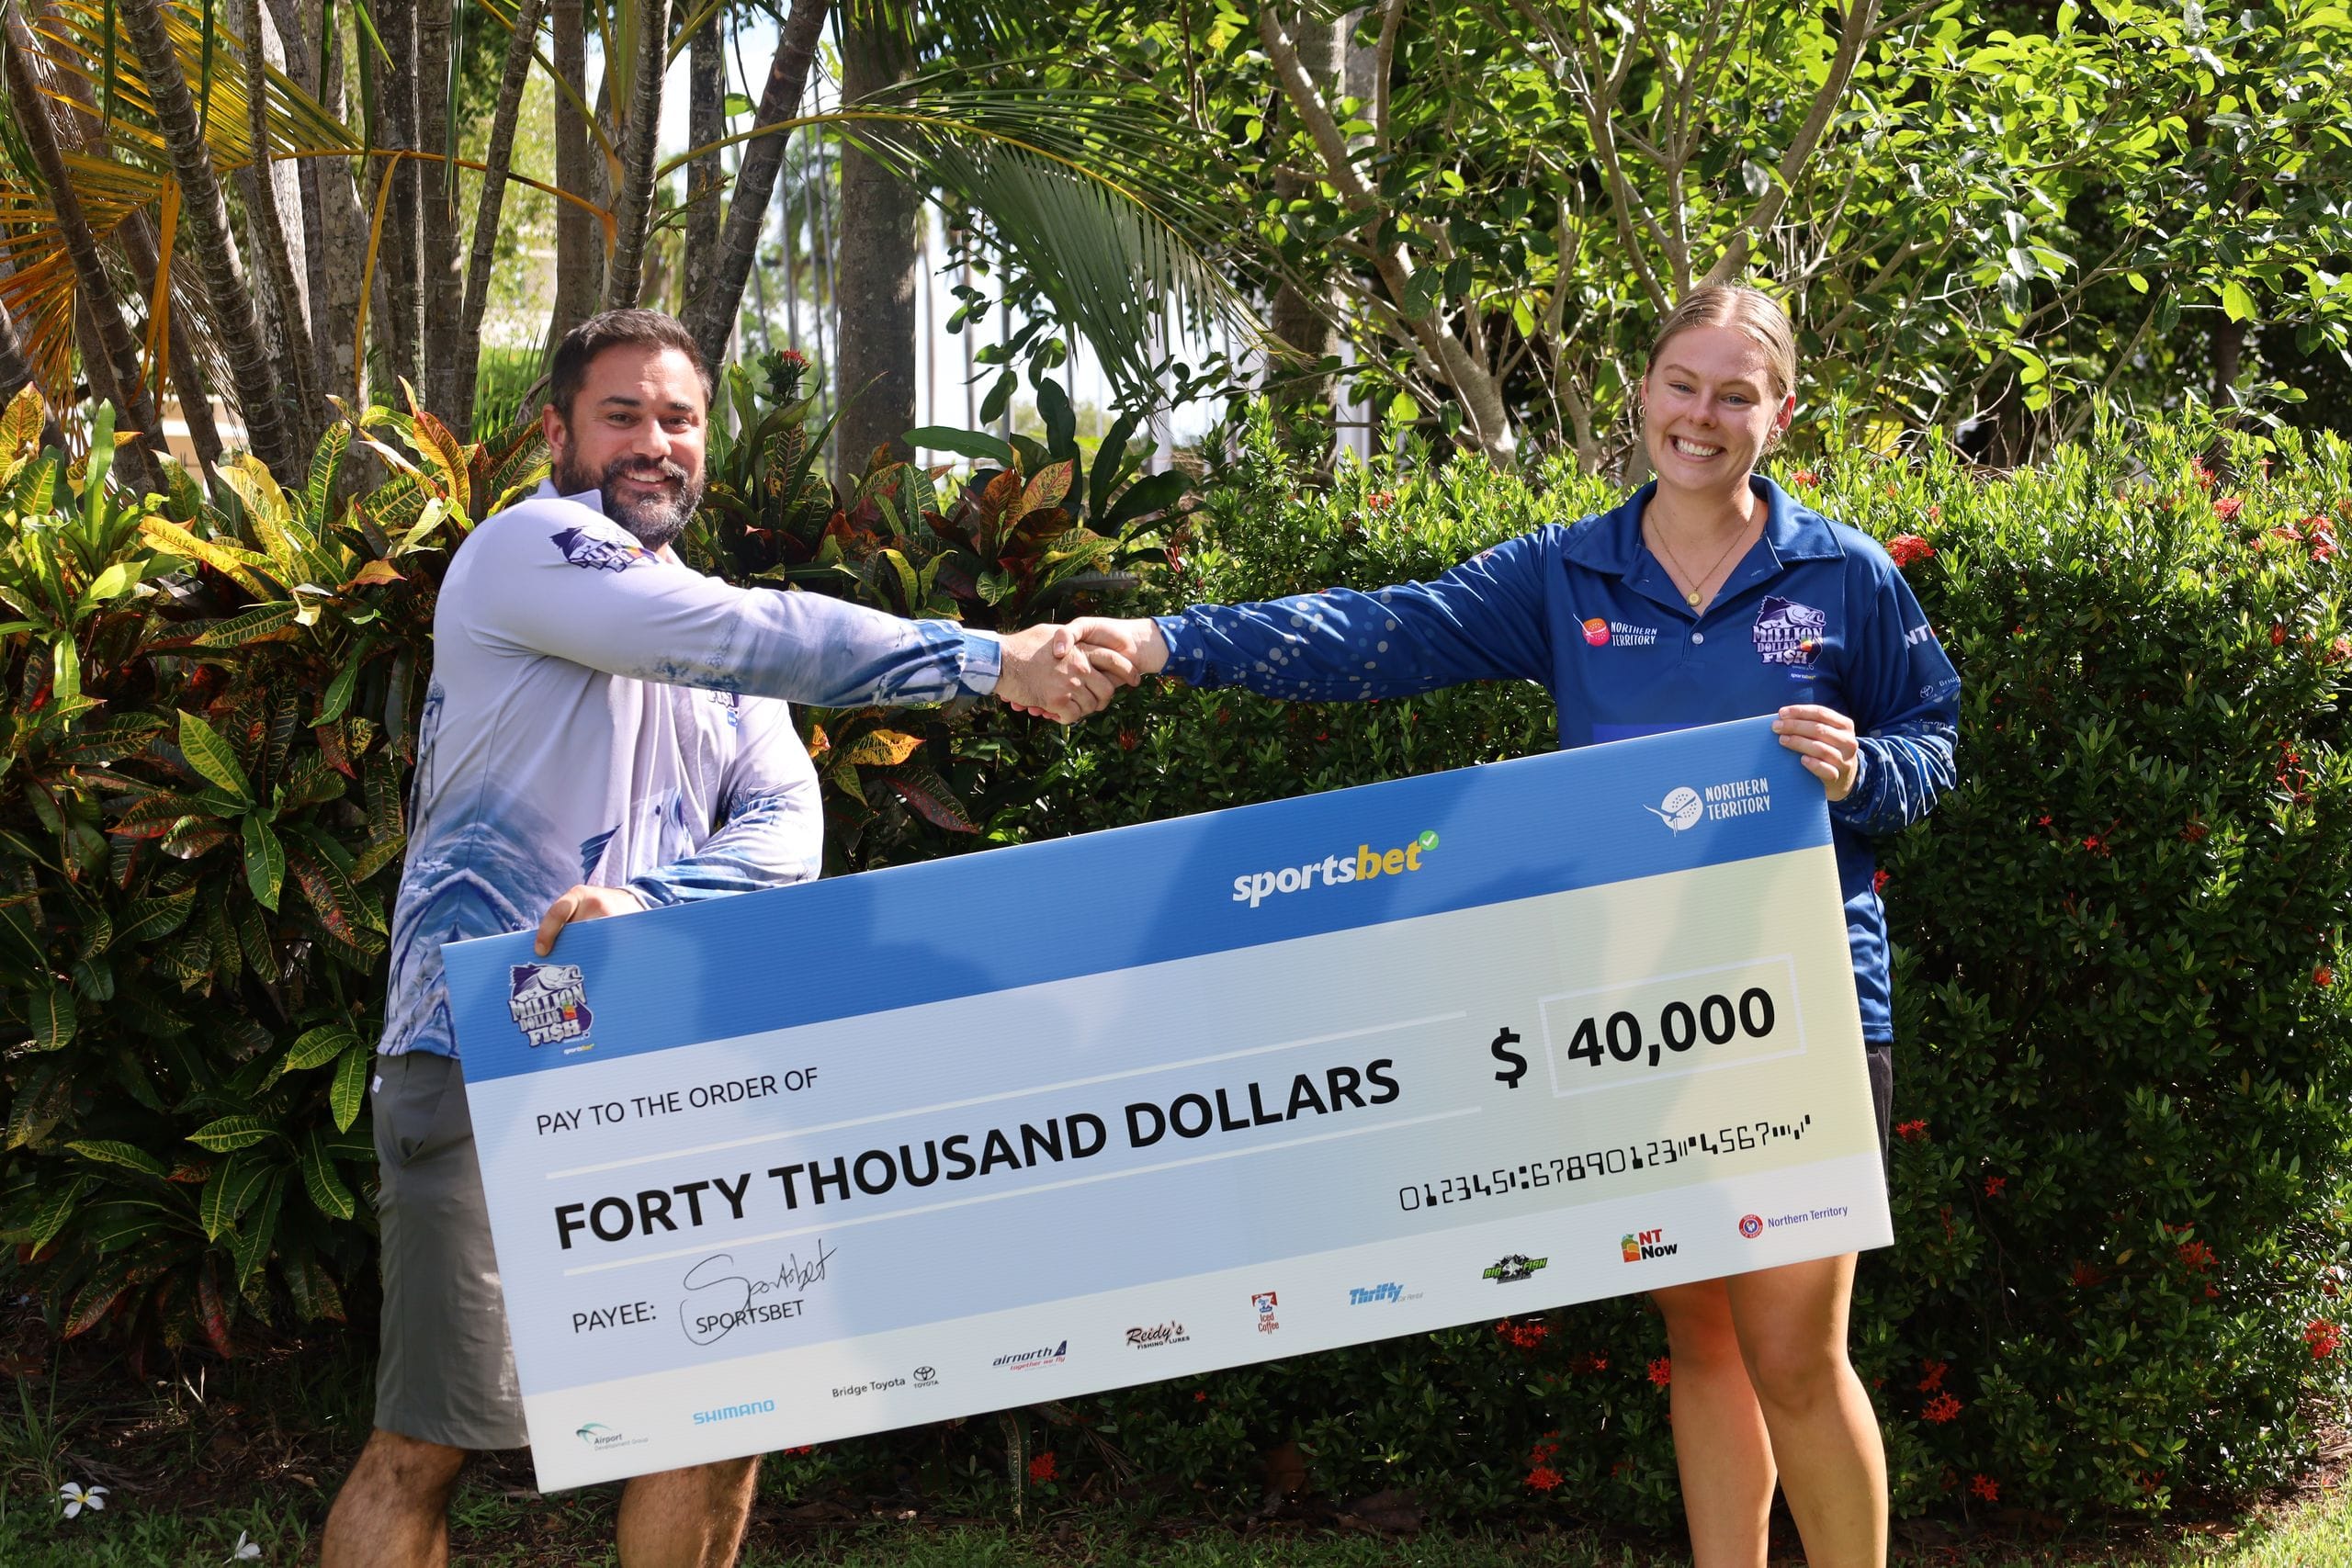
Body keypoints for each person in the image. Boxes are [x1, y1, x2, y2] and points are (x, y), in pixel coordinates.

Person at [1067, 284, 1959, 1568]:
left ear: (1780, 412)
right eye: (1682, 385)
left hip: (1802, 996)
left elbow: (1931, 742)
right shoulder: (1567, 571)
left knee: (1795, 1354)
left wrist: (1863, 770)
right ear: (1643, 392)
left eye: (1736, 394)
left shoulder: (1843, 574)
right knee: (1702, 1339)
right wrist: (1166, 642)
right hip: (1634, 1009)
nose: (1702, 416)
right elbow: (1382, 633)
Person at [319, 309, 1125, 1568]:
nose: (655, 442)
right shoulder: (525, 550)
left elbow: (786, 826)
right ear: (557, 433)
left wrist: (644, 907)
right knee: (432, 1443)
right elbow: (739, 637)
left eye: (679, 418)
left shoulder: (698, 619)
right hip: (488, 1043)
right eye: (622, 416)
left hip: (678, 1062)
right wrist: (990, 661)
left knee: (717, 1421)